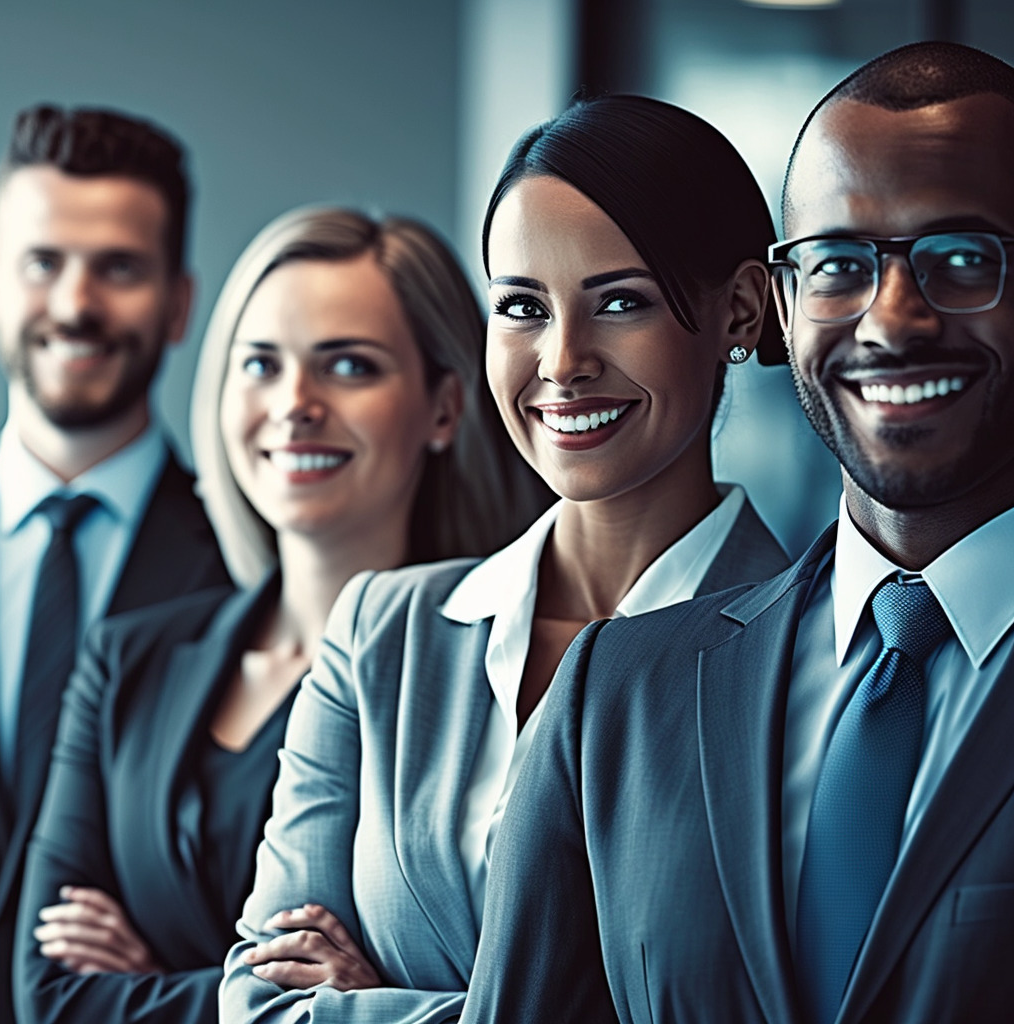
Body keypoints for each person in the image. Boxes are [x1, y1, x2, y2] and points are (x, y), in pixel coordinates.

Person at [459, 40, 1014, 1024]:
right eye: (838, 264)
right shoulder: (611, 695)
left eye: (961, 259)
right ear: (784, 304)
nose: (890, 320)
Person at [220, 94, 790, 1024]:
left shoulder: (812, 647)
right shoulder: (382, 634)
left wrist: (384, 1005)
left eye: (620, 302)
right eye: (523, 307)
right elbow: (257, 1001)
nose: (562, 360)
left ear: (737, 309)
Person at [12, 206, 542, 1024]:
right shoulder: (128, 659)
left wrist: (158, 977)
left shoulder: (510, 669)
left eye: (350, 367)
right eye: (260, 364)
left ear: (445, 407)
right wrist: (262, 996)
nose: (295, 403)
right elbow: (47, 995)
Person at [0, 105, 229, 1024]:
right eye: (43, 262)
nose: (76, 304)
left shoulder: (253, 576)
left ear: (177, 305)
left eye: (118, 268)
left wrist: (161, 972)